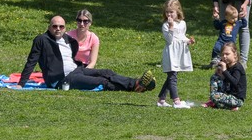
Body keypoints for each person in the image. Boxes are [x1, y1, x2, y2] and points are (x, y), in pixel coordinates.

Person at [18, 15, 155, 92]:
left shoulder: (67, 39)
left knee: (107, 72)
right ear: (49, 27)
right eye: (55, 26)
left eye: (61, 26)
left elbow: (72, 56)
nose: (58, 29)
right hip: (63, 79)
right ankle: (136, 86)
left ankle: (137, 83)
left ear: (65, 28)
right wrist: (21, 83)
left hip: (77, 70)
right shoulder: (42, 40)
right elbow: (31, 61)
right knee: (101, 82)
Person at [157, 0, 196, 108]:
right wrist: (171, 27)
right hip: (171, 54)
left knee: (171, 77)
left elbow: (181, 37)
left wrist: (189, 41)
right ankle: (176, 101)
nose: (169, 14)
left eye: (171, 12)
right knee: (172, 77)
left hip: (179, 54)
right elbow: (169, 40)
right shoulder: (166, 25)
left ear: (177, 11)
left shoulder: (182, 23)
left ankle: (161, 100)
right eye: (167, 12)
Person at [203, 42, 247, 110]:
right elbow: (224, 80)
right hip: (227, 94)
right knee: (215, 77)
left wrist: (224, 71)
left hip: (236, 99)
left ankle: (217, 102)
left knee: (214, 96)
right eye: (222, 54)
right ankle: (217, 103)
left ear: (235, 54)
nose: (224, 57)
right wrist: (219, 74)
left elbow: (235, 82)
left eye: (227, 54)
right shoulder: (226, 65)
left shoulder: (237, 67)